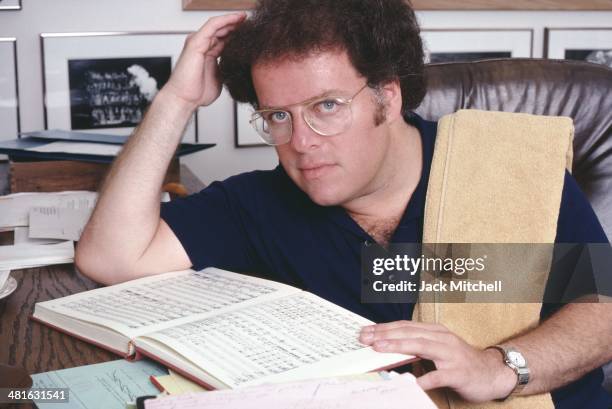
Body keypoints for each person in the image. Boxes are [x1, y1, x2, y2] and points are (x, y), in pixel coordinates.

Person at [75, 0, 612, 407]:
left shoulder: (503, 166)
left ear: (389, 94)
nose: (301, 141)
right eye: (277, 115)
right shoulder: (263, 204)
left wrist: (500, 367)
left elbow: (603, 306)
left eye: (326, 106)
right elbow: (112, 257)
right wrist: (177, 99)